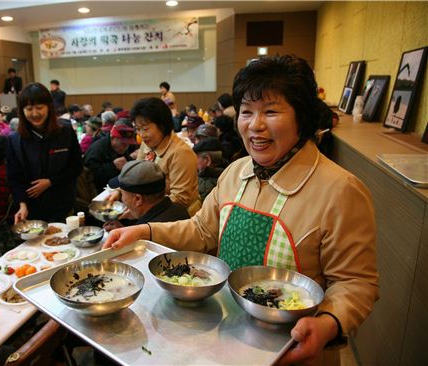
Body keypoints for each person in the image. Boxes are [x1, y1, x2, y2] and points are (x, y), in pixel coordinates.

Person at [104, 55, 378, 366]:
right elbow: (202, 230)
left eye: (271, 112)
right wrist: (145, 231)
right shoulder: (235, 173)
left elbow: (356, 282)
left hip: (295, 348)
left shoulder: (341, 189)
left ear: (301, 116)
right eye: (246, 112)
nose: (255, 125)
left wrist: (328, 323)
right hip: (228, 332)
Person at [6, 83, 82, 223]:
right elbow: (14, 177)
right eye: (29, 109)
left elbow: (76, 166)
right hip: (32, 209)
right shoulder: (15, 140)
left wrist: (50, 182)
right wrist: (22, 204)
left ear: (49, 107)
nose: (35, 114)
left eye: (39, 108)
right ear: (22, 111)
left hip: (63, 204)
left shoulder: (65, 132)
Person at [125, 97, 201, 216]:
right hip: (149, 210)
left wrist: (144, 210)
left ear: (162, 125)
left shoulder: (181, 153)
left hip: (179, 217)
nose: (141, 135)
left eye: (145, 129)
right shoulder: (147, 144)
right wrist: (120, 193)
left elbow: (180, 199)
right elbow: (137, 176)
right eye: (138, 129)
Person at [103, 160, 189, 232]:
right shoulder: (180, 209)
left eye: (122, 193)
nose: (122, 199)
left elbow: (144, 242)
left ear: (137, 199)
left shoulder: (147, 234)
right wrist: (126, 231)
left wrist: (130, 235)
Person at [84, 123, 136, 192]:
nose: (126, 147)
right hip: (99, 191)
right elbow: (90, 175)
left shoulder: (119, 148)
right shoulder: (97, 149)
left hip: (116, 185)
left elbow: (127, 160)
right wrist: (113, 166)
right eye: (123, 143)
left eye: (128, 144)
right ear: (112, 138)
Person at [193, 137, 225, 201]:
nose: (193, 162)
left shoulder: (206, 186)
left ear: (207, 160)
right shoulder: (228, 175)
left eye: (195, 158)